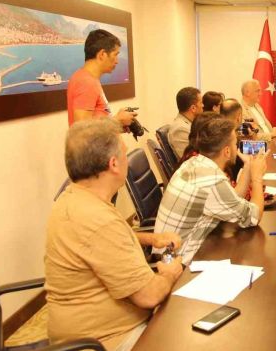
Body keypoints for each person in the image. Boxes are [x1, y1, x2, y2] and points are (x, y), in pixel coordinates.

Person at [45, 119, 183, 350]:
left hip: (91, 331)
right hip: (107, 340)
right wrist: (169, 274)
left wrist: (151, 238)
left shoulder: (75, 197)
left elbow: (97, 243)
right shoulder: (97, 219)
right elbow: (149, 296)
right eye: (124, 154)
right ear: (114, 164)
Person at [153, 116, 268, 263]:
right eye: (235, 144)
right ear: (227, 151)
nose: (237, 147)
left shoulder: (194, 163)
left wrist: (248, 166)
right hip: (177, 262)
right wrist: (257, 178)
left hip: (174, 251)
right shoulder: (212, 181)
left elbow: (231, 199)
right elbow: (253, 217)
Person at [66, 29, 136, 126]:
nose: (117, 61)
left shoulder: (87, 78)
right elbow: (82, 130)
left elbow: (93, 125)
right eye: (115, 55)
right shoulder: (86, 82)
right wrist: (117, 120)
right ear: (102, 54)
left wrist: (118, 125)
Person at [168, 87, 204, 159]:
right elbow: (192, 160)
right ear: (193, 108)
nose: (203, 105)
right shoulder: (180, 130)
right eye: (201, 102)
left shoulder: (190, 123)